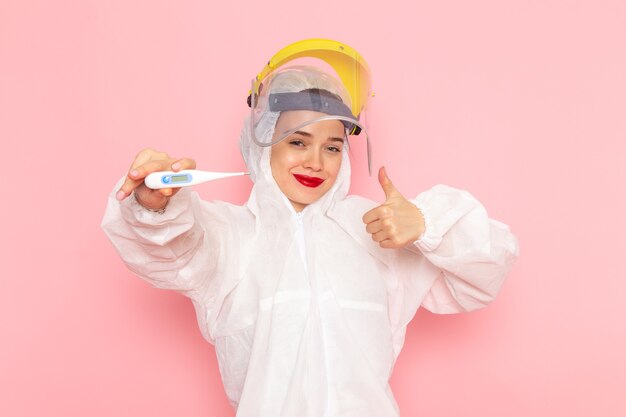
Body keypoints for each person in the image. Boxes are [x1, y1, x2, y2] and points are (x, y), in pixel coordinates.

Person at [101, 40, 518, 417]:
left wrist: (428, 227)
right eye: (297, 142)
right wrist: (154, 205)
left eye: (332, 147)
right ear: (263, 143)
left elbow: (484, 274)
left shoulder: (376, 229)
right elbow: (168, 249)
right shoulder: (229, 237)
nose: (316, 162)